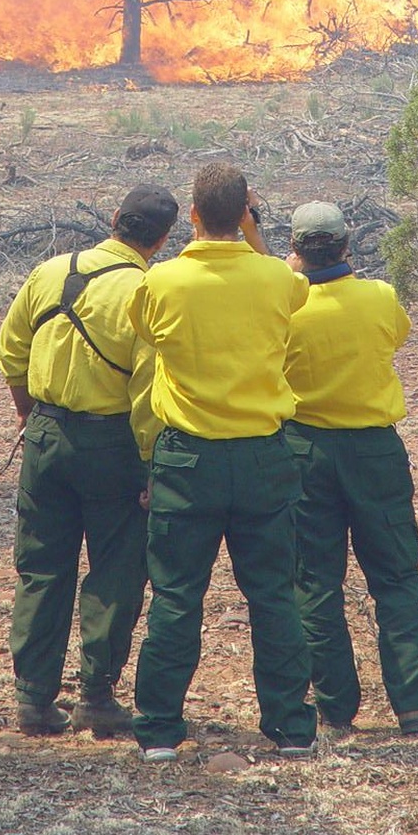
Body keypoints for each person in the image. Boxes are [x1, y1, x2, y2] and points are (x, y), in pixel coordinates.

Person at [127, 162, 318, 762]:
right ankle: (291, 728)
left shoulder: (159, 283)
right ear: (243, 214)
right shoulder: (276, 281)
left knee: (177, 596)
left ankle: (158, 728)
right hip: (264, 456)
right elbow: (294, 284)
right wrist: (254, 231)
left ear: (190, 215)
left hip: (187, 459)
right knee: (274, 597)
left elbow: (146, 332)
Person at [0, 184, 179, 737]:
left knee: (42, 568)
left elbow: (11, 351)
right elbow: (149, 389)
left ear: (114, 219)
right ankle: (96, 698)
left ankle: (33, 699)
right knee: (117, 570)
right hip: (114, 445)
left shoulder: (51, 270)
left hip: (46, 437)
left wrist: (31, 415)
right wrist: (150, 465)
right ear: (165, 238)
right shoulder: (147, 289)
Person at [282, 200, 418, 735]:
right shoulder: (379, 298)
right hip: (373, 452)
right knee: (396, 577)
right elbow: (395, 337)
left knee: (314, 581)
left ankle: (335, 706)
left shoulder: (283, 307)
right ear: (345, 244)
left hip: (304, 451)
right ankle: (414, 701)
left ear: (295, 249)